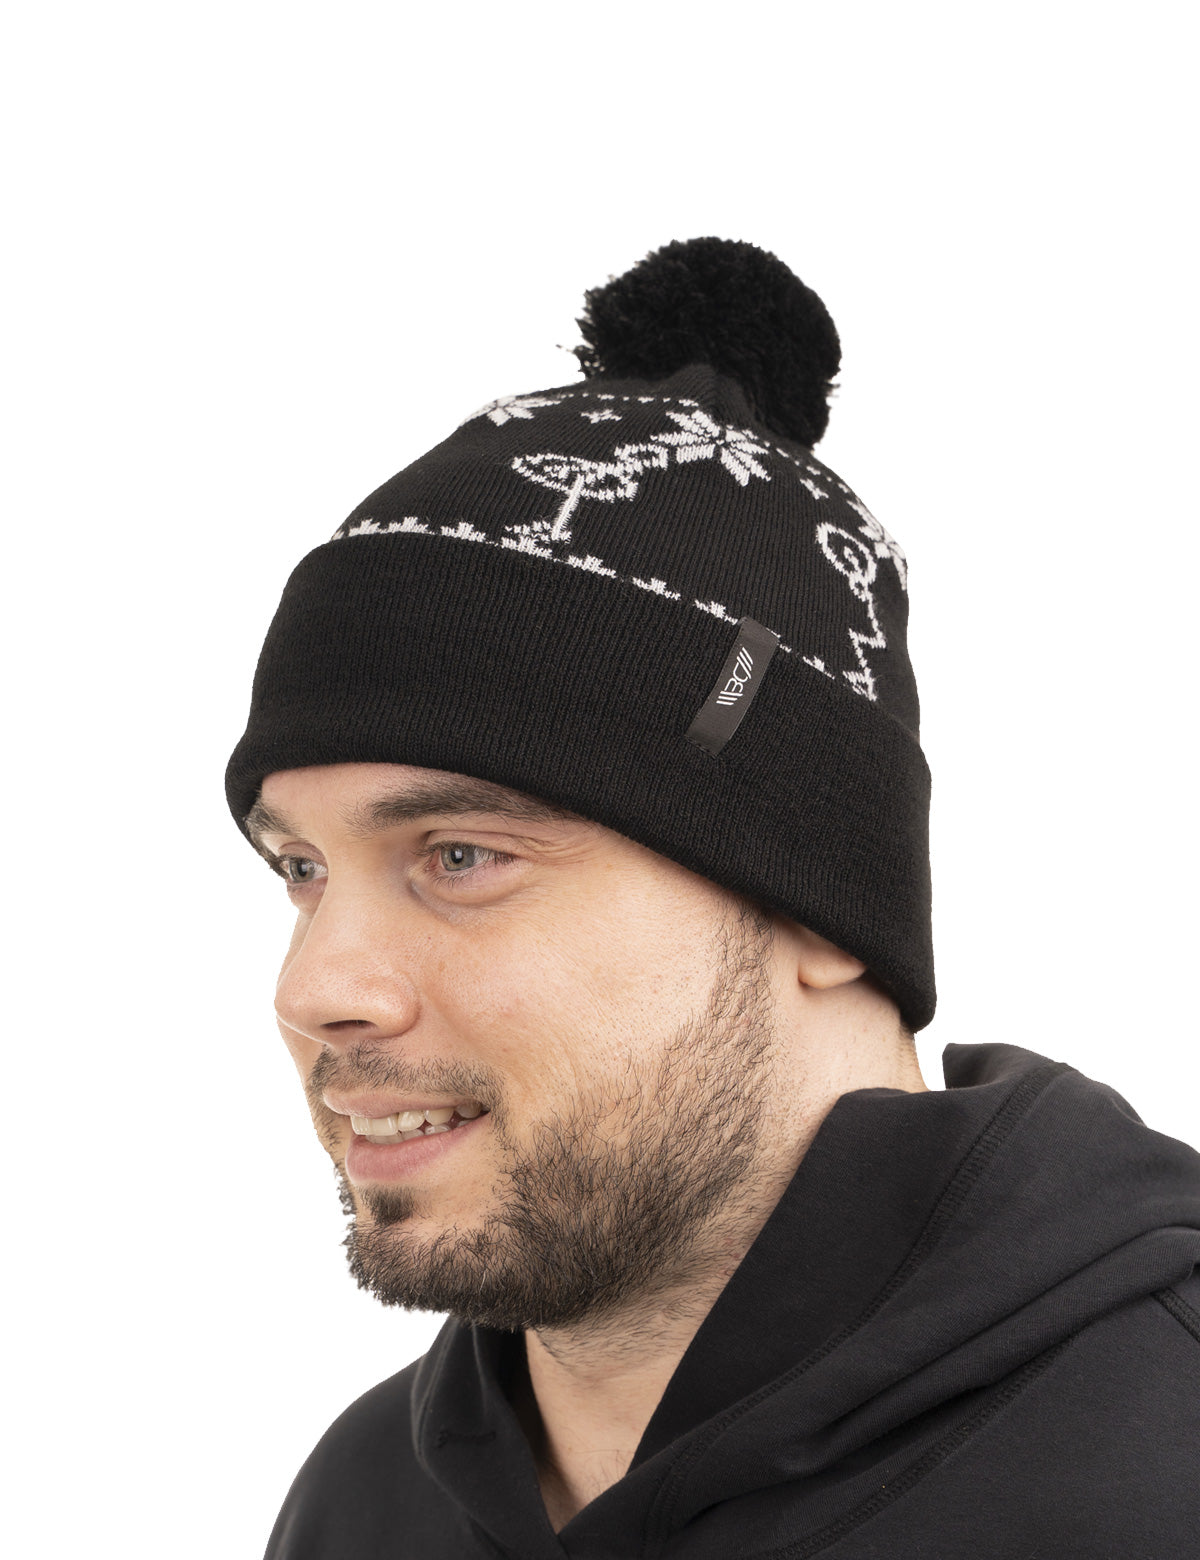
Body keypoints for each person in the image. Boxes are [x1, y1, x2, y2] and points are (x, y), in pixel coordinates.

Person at [226, 238, 1200, 1557]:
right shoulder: (365, 1501)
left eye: (460, 856)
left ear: (816, 903)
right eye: (301, 869)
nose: (314, 991)